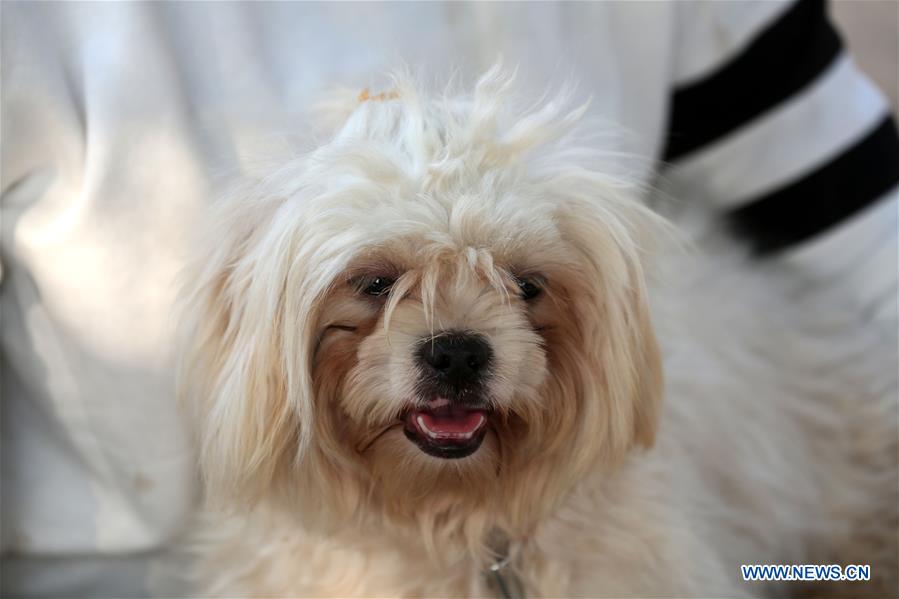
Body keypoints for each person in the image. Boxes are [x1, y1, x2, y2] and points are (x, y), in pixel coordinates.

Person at [2, 1, 896, 596]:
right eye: (377, 286)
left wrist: (813, 575)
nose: (456, 338)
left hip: (798, 547)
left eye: (524, 286)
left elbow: (873, 235)